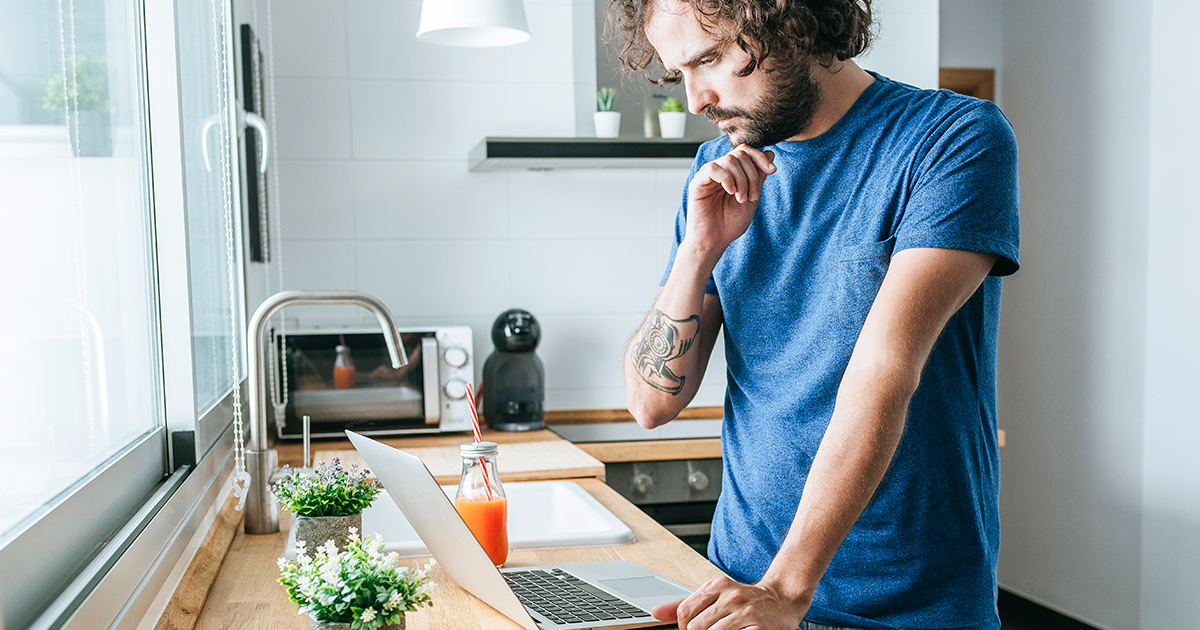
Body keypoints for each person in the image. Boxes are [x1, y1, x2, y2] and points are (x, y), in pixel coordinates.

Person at [612, 0, 1020, 629]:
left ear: (789, 20)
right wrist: (698, 252)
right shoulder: (718, 172)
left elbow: (884, 373)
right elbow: (649, 404)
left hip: (907, 607)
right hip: (740, 589)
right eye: (679, 74)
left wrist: (788, 587)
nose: (696, 100)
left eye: (712, 59)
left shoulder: (952, 139)